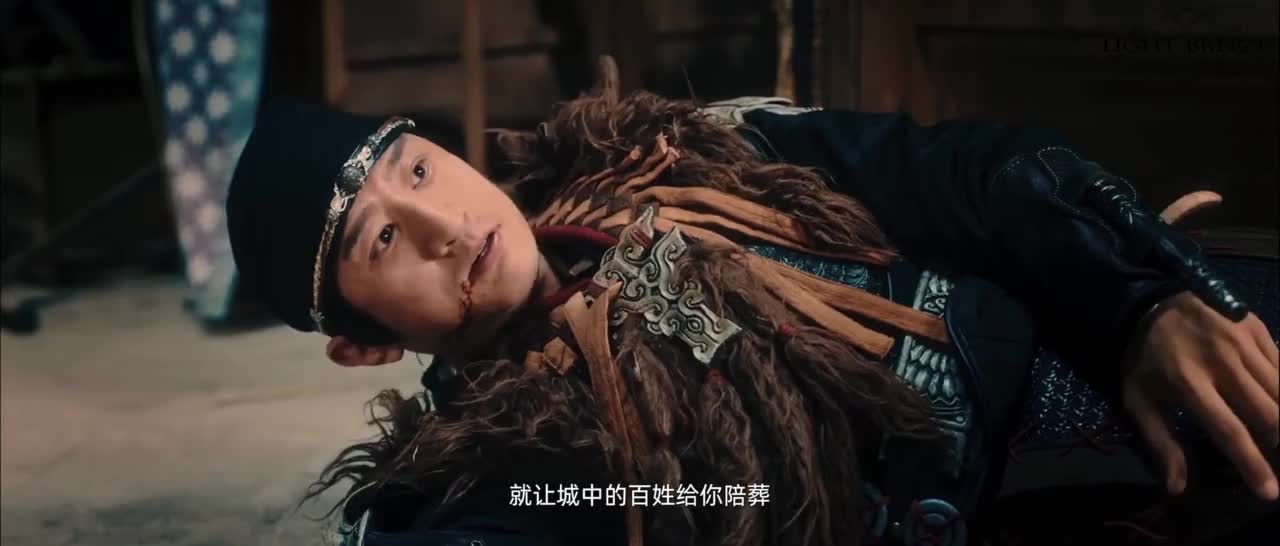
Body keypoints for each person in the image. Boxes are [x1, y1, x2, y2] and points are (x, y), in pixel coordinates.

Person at [225, 58, 1278, 546]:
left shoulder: (671, 154)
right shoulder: (500, 470)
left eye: (414, 170)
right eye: (380, 240)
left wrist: (1138, 301)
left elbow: (959, 173)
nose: (444, 226)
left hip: (1111, 349)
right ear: (363, 348)